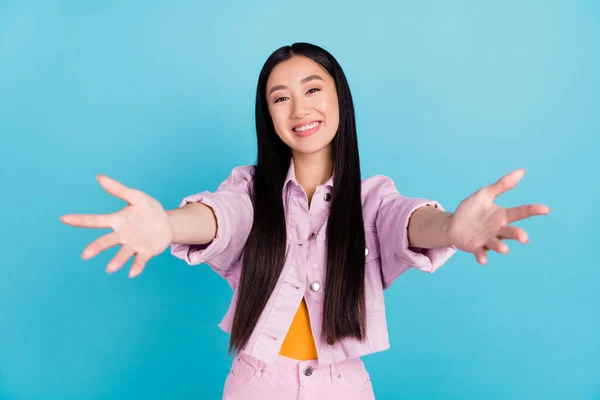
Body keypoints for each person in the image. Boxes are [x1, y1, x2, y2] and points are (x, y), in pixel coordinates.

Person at [60, 42, 551, 399]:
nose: (299, 108)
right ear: (268, 115)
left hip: (346, 388)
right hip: (254, 385)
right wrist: (168, 224)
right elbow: (221, 217)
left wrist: (448, 230)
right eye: (280, 97)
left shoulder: (372, 198)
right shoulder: (250, 190)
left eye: (312, 88)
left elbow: (406, 222)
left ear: (340, 98)